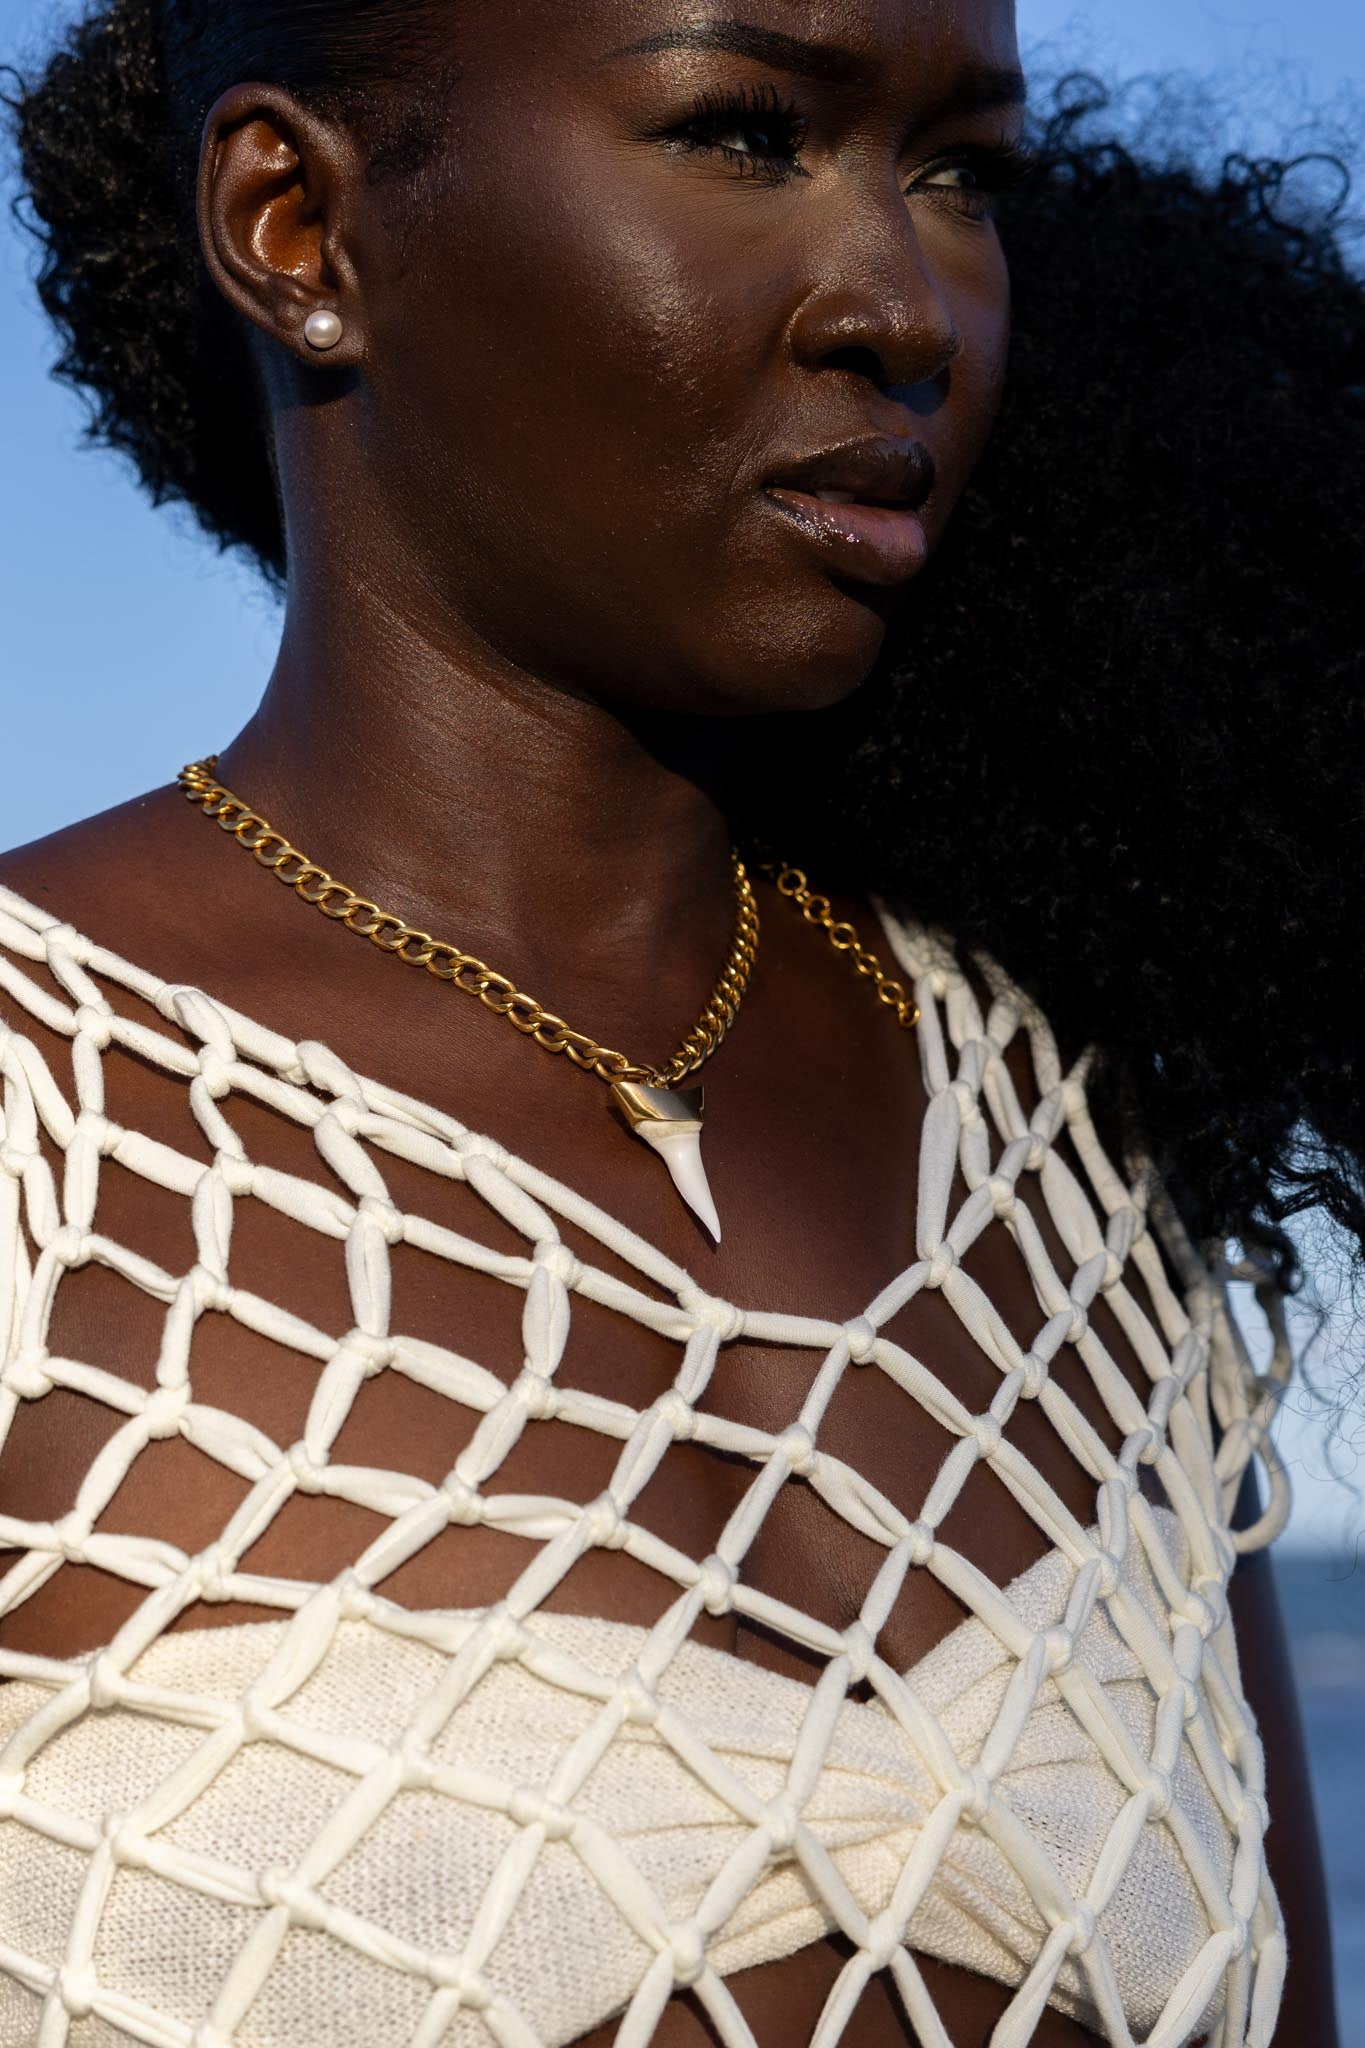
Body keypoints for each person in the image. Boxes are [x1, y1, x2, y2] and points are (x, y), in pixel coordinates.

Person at [0, 0, 1359, 2041]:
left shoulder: (1060, 1148)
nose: (901, 303)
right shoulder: (46, 1107)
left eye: (959, 171)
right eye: (741, 131)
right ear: (296, 225)